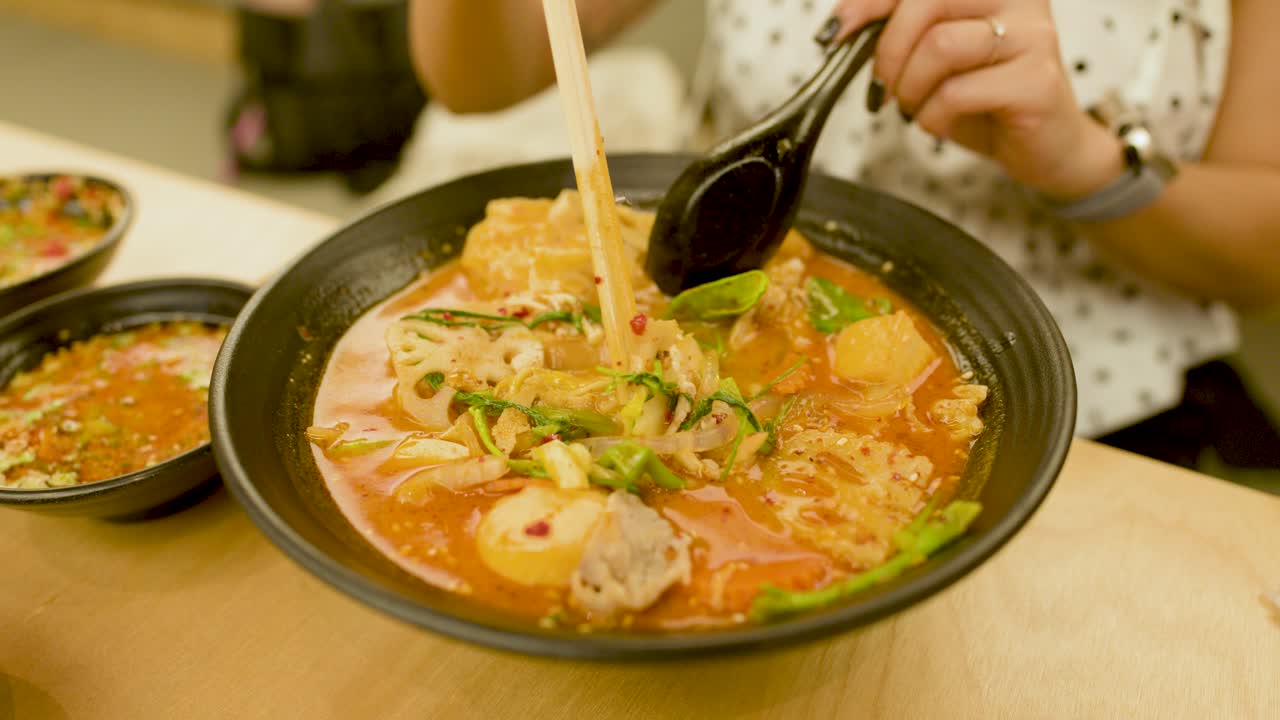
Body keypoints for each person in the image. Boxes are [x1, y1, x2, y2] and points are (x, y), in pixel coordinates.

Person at [407, 0, 1280, 467]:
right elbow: (478, 75)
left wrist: (1084, 161)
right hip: (711, 352)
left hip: (1112, 427)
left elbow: (1263, 253)